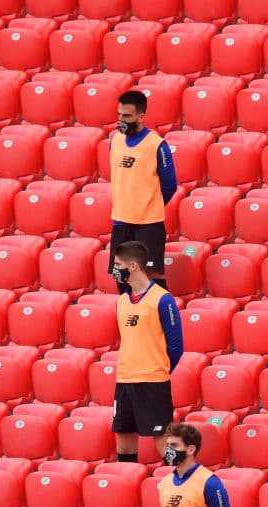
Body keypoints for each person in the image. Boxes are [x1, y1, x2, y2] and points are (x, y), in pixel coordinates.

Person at [112, 241, 183, 461]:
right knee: (124, 444)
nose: (114, 270)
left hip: (153, 382)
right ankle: (126, 483)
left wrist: (157, 369)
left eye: (117, 264)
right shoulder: (122, 301)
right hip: (125, 380)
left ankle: (183, 479)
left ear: (132, 266)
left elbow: (176, 347)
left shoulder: (163, 299)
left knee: (164, 446)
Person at [108, 89, 178, 294]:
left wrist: (150, 205)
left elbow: (170, 185)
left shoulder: (157, 145)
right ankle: (131, 311)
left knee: (151, 276)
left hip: (148, 224)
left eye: (127, 116)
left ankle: (162, 311)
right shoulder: (115, 140)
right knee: (121, 276)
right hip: (121, 221)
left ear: (140, 117)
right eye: (119, 115)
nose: (121, 120)